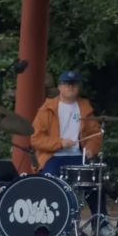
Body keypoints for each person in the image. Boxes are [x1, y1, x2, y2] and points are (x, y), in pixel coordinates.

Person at [30, 70, 106, 217]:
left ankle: (101, 222)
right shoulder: (47, 109)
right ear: (59, 87)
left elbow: (95, 135)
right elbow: (36, 138)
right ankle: (52, 221)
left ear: (79, 87)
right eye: (66, 84)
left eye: (74, 84)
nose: (70, 87)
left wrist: (91, 148)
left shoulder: (85, 108)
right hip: (51, 156)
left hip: (78, 156)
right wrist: (60, 142)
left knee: (93, 181)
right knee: (49, 183)